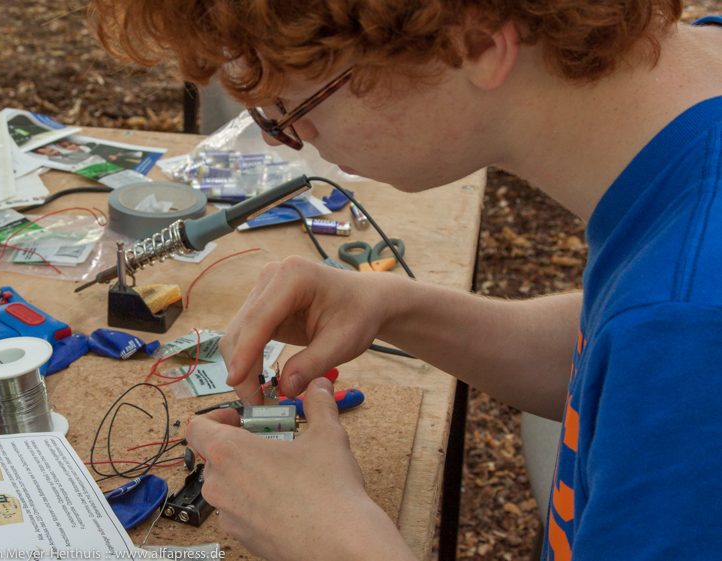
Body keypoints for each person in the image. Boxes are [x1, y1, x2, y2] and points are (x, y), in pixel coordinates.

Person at [90, 1, 722, 559]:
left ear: (474, 42)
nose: (287, 142)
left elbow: (668, 347)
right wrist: (392, 306)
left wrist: (336, 543)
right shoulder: (692, 100)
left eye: (294, 106)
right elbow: (610, 363)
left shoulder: (688, 322)